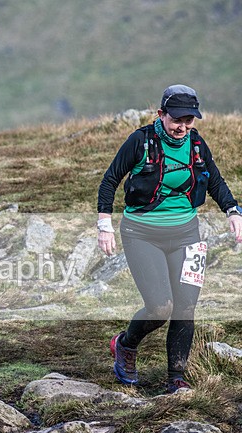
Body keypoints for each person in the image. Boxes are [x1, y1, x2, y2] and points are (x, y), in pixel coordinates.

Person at [97, 84, 242, 393]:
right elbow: (110, 179)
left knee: (185, 307)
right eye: (177, 120)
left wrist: (232, 210)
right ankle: (125, 344)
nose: (183, 127)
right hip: (141, 234)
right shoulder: (140, 141)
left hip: (187, 234)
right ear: (161, 114)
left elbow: (214, 179)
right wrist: (104, 225)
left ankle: (176, 379)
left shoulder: (197, 144)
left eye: (189, 120)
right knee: (161, 307)